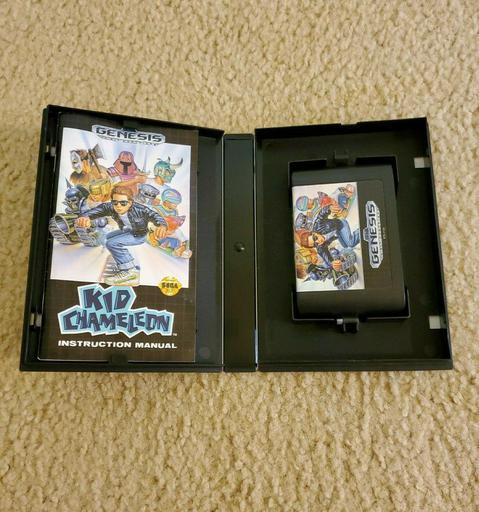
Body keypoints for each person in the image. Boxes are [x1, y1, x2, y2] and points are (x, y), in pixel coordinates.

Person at [76, 185, 167, 286]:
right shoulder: (110, 207)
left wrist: (162, 225)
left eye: (123, 203)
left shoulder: (140, 209)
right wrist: (84, 217)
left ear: (130, 203)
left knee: (111, 243)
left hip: (139, 234)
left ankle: (130, 272)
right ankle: (123, 258)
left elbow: (154, 215)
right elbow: (96, 210)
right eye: (115, 202)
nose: (118, 206)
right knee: (108, 237)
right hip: (129, 230)